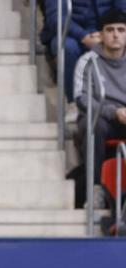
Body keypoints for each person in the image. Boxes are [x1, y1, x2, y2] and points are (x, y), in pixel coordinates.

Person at [74, 11, 126, 191]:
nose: (116, 34)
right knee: (94, 126)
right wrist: (113, 112)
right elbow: (82, 99)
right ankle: (95, 189)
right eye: (110, 30)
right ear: (101, 35)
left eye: (121, 30)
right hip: (99, 118)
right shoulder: (87, 61)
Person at [44, 0, 126, 100]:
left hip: (106, 29)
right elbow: (56, 17)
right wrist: (83, 36)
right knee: (68, 47)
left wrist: (105, 33)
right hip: (70, 32)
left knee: (119, 39)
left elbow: (123, 10)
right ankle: (74, 102)